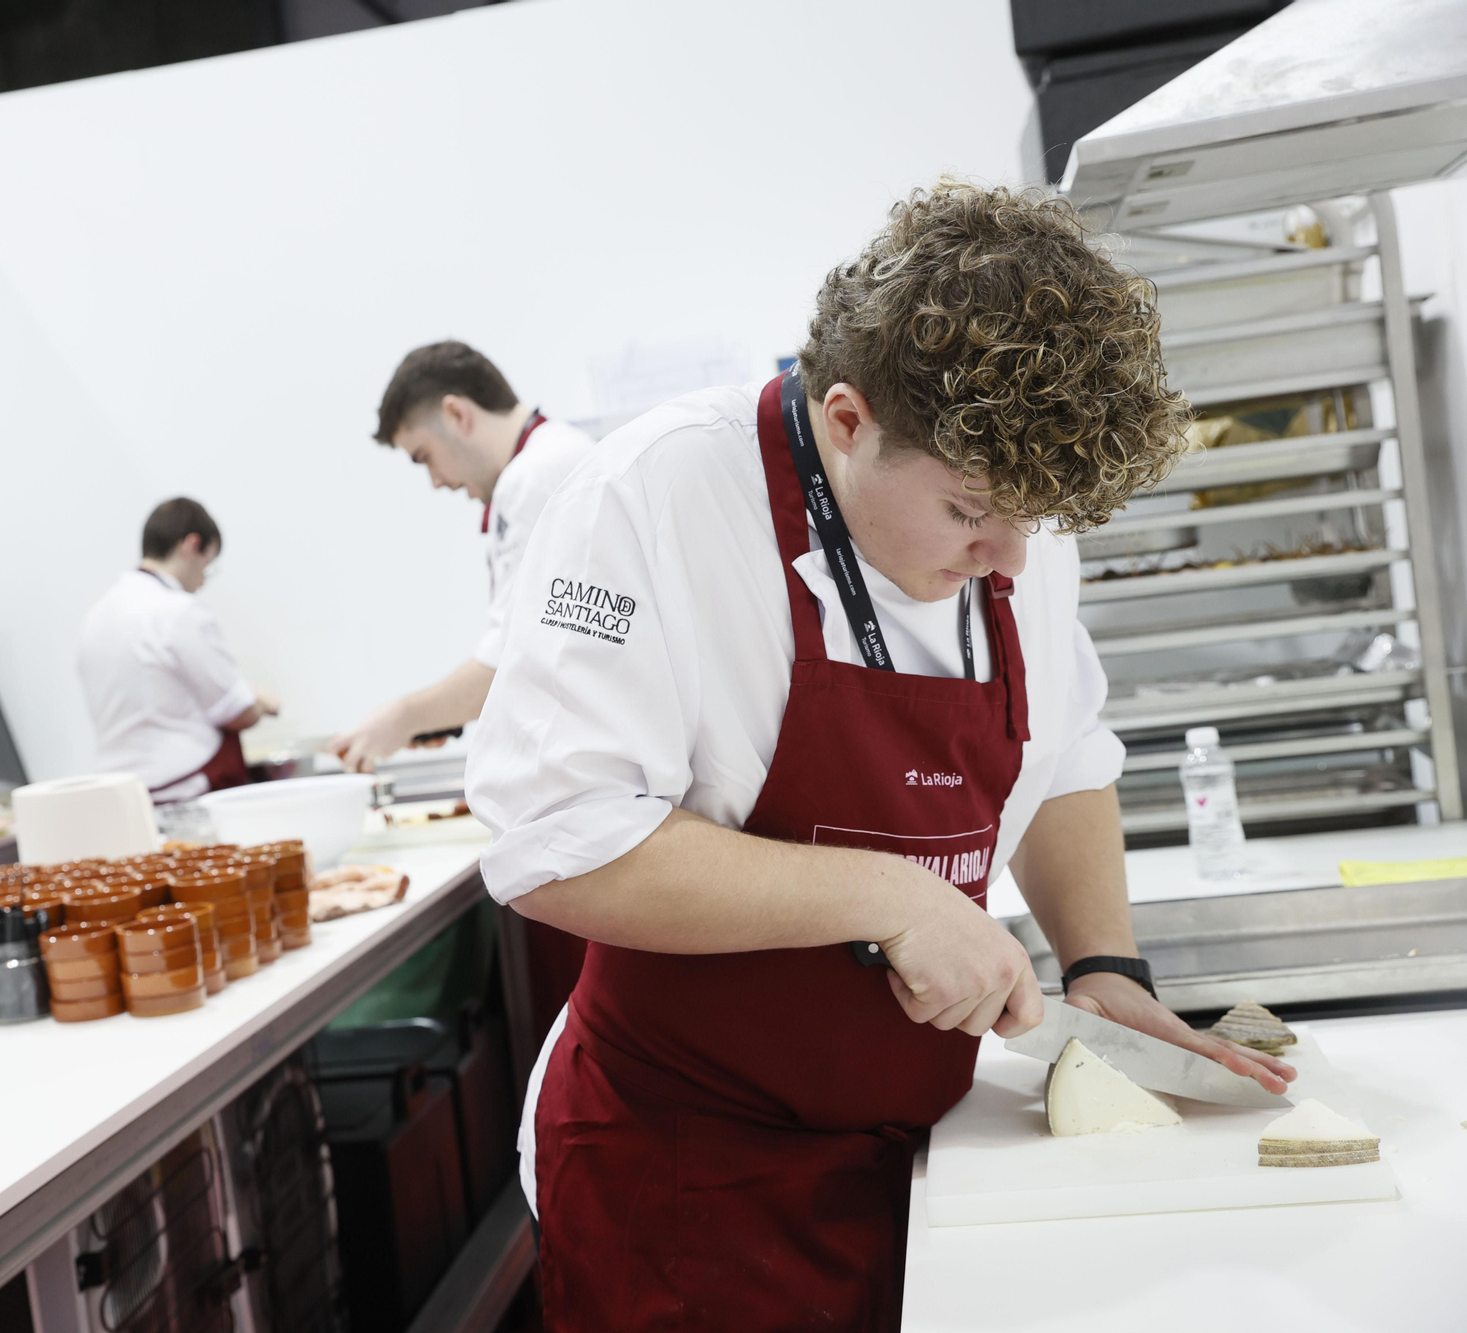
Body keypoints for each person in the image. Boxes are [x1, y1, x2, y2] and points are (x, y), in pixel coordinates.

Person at [465, 182, 1299, 1331]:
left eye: (1031, 521)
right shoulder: (651, 498)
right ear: (847, 418)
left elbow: (1059, 755)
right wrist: (882, 893)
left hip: (923, 1149)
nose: (1006, 556)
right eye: (968, 512)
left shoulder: (1009, 519)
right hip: (685, 1179)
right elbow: (554, 844)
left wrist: (1106, 969)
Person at [329, 341, 593, 771]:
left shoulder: (532, 476)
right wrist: (440, 717)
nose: (435, 482)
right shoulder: (558, 454)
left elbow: (514, 659)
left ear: (457, 414)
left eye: (424, 457)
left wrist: (402, 718)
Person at [77, 497, 278, 804]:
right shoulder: (180, 612)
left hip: (121, 795)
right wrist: (263, 701)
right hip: (186, 790)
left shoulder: (98, 613)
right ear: (191, 545)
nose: (202, 582)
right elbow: (235, 709)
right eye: (207, 565)